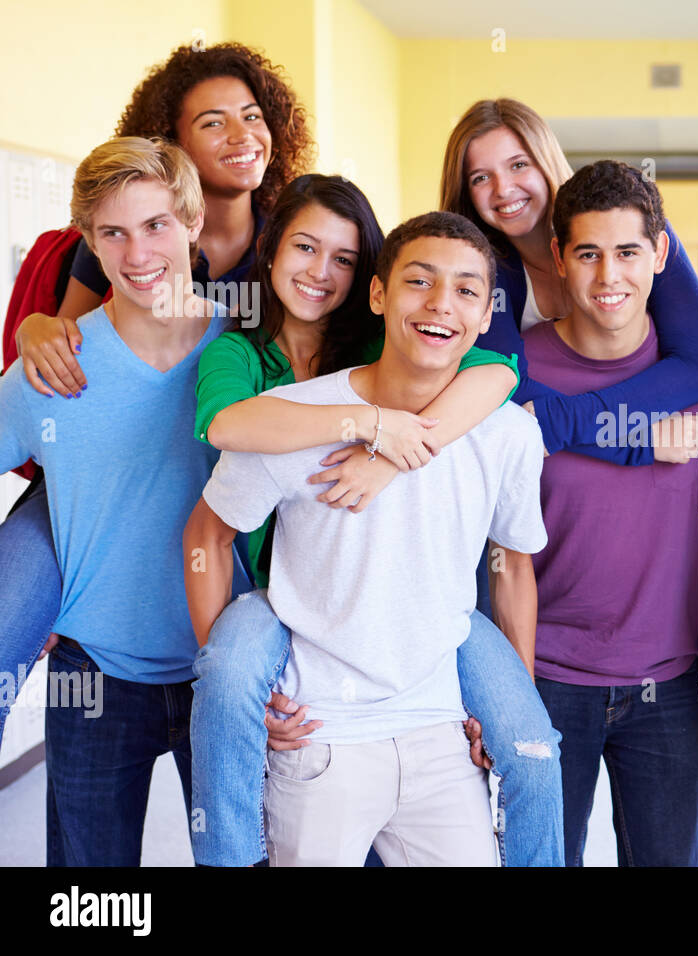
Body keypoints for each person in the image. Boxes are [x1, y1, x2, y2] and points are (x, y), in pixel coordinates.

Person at [181, 174, 563, 867]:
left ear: (484, 319)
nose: (441, 303)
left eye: (466, 291)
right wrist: (240, 683)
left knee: (536, 757)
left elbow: (512, 567)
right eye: (419, 282)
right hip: (321, 732)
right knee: (232, 673)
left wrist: (508, 711)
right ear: (381, 294)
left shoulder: (503, 432)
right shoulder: (292, 416)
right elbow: (207, 531)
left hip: (439, 732)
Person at [441, 98, 698, 797]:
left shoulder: (627, 223)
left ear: (546, 161)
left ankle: (677, 797)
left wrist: (581, 423)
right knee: (498, 661)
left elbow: (694, 366)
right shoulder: (488, 274)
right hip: (536, 498)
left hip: (649, 502)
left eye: (518, 164)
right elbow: (509, 402)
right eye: (480, 177)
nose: (504, 189)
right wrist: (634, 440)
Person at [0, 40, 312, 746]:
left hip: (221, 481)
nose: (239, 137)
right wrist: (35, 331)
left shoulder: (291, 232)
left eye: (251, 115)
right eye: (212, 123)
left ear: (191, 220)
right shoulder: (124, 219)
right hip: (90, 455)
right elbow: (76, 339)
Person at [0, 137, 249, 864]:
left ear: (194, 223)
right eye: (113, 232)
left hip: (225, 668)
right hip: (96, 676)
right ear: (90, 246)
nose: (138, 252)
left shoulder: (244, 353)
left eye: (156, 226)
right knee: (90, 894)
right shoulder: (50, 369)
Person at [522, 160, 698, 866]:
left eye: (629, 252)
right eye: (589, 254)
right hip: (546, 676)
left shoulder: (694, 375)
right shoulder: (513, 375)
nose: (610, 276)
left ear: (660, 255)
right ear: (559, 261)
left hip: (664, 680)